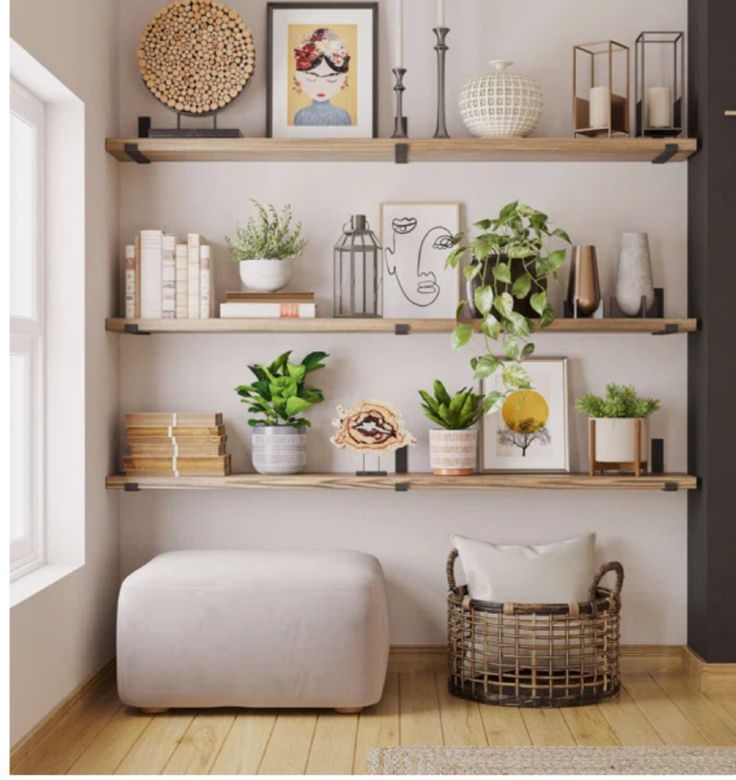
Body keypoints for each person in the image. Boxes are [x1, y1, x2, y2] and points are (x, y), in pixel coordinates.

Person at [293, 28, 352, 127]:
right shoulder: (300, 116)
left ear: (343, 79)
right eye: (311, 77)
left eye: (331, 78)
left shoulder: (343, 116)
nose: (321, 85)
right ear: (298, 77)